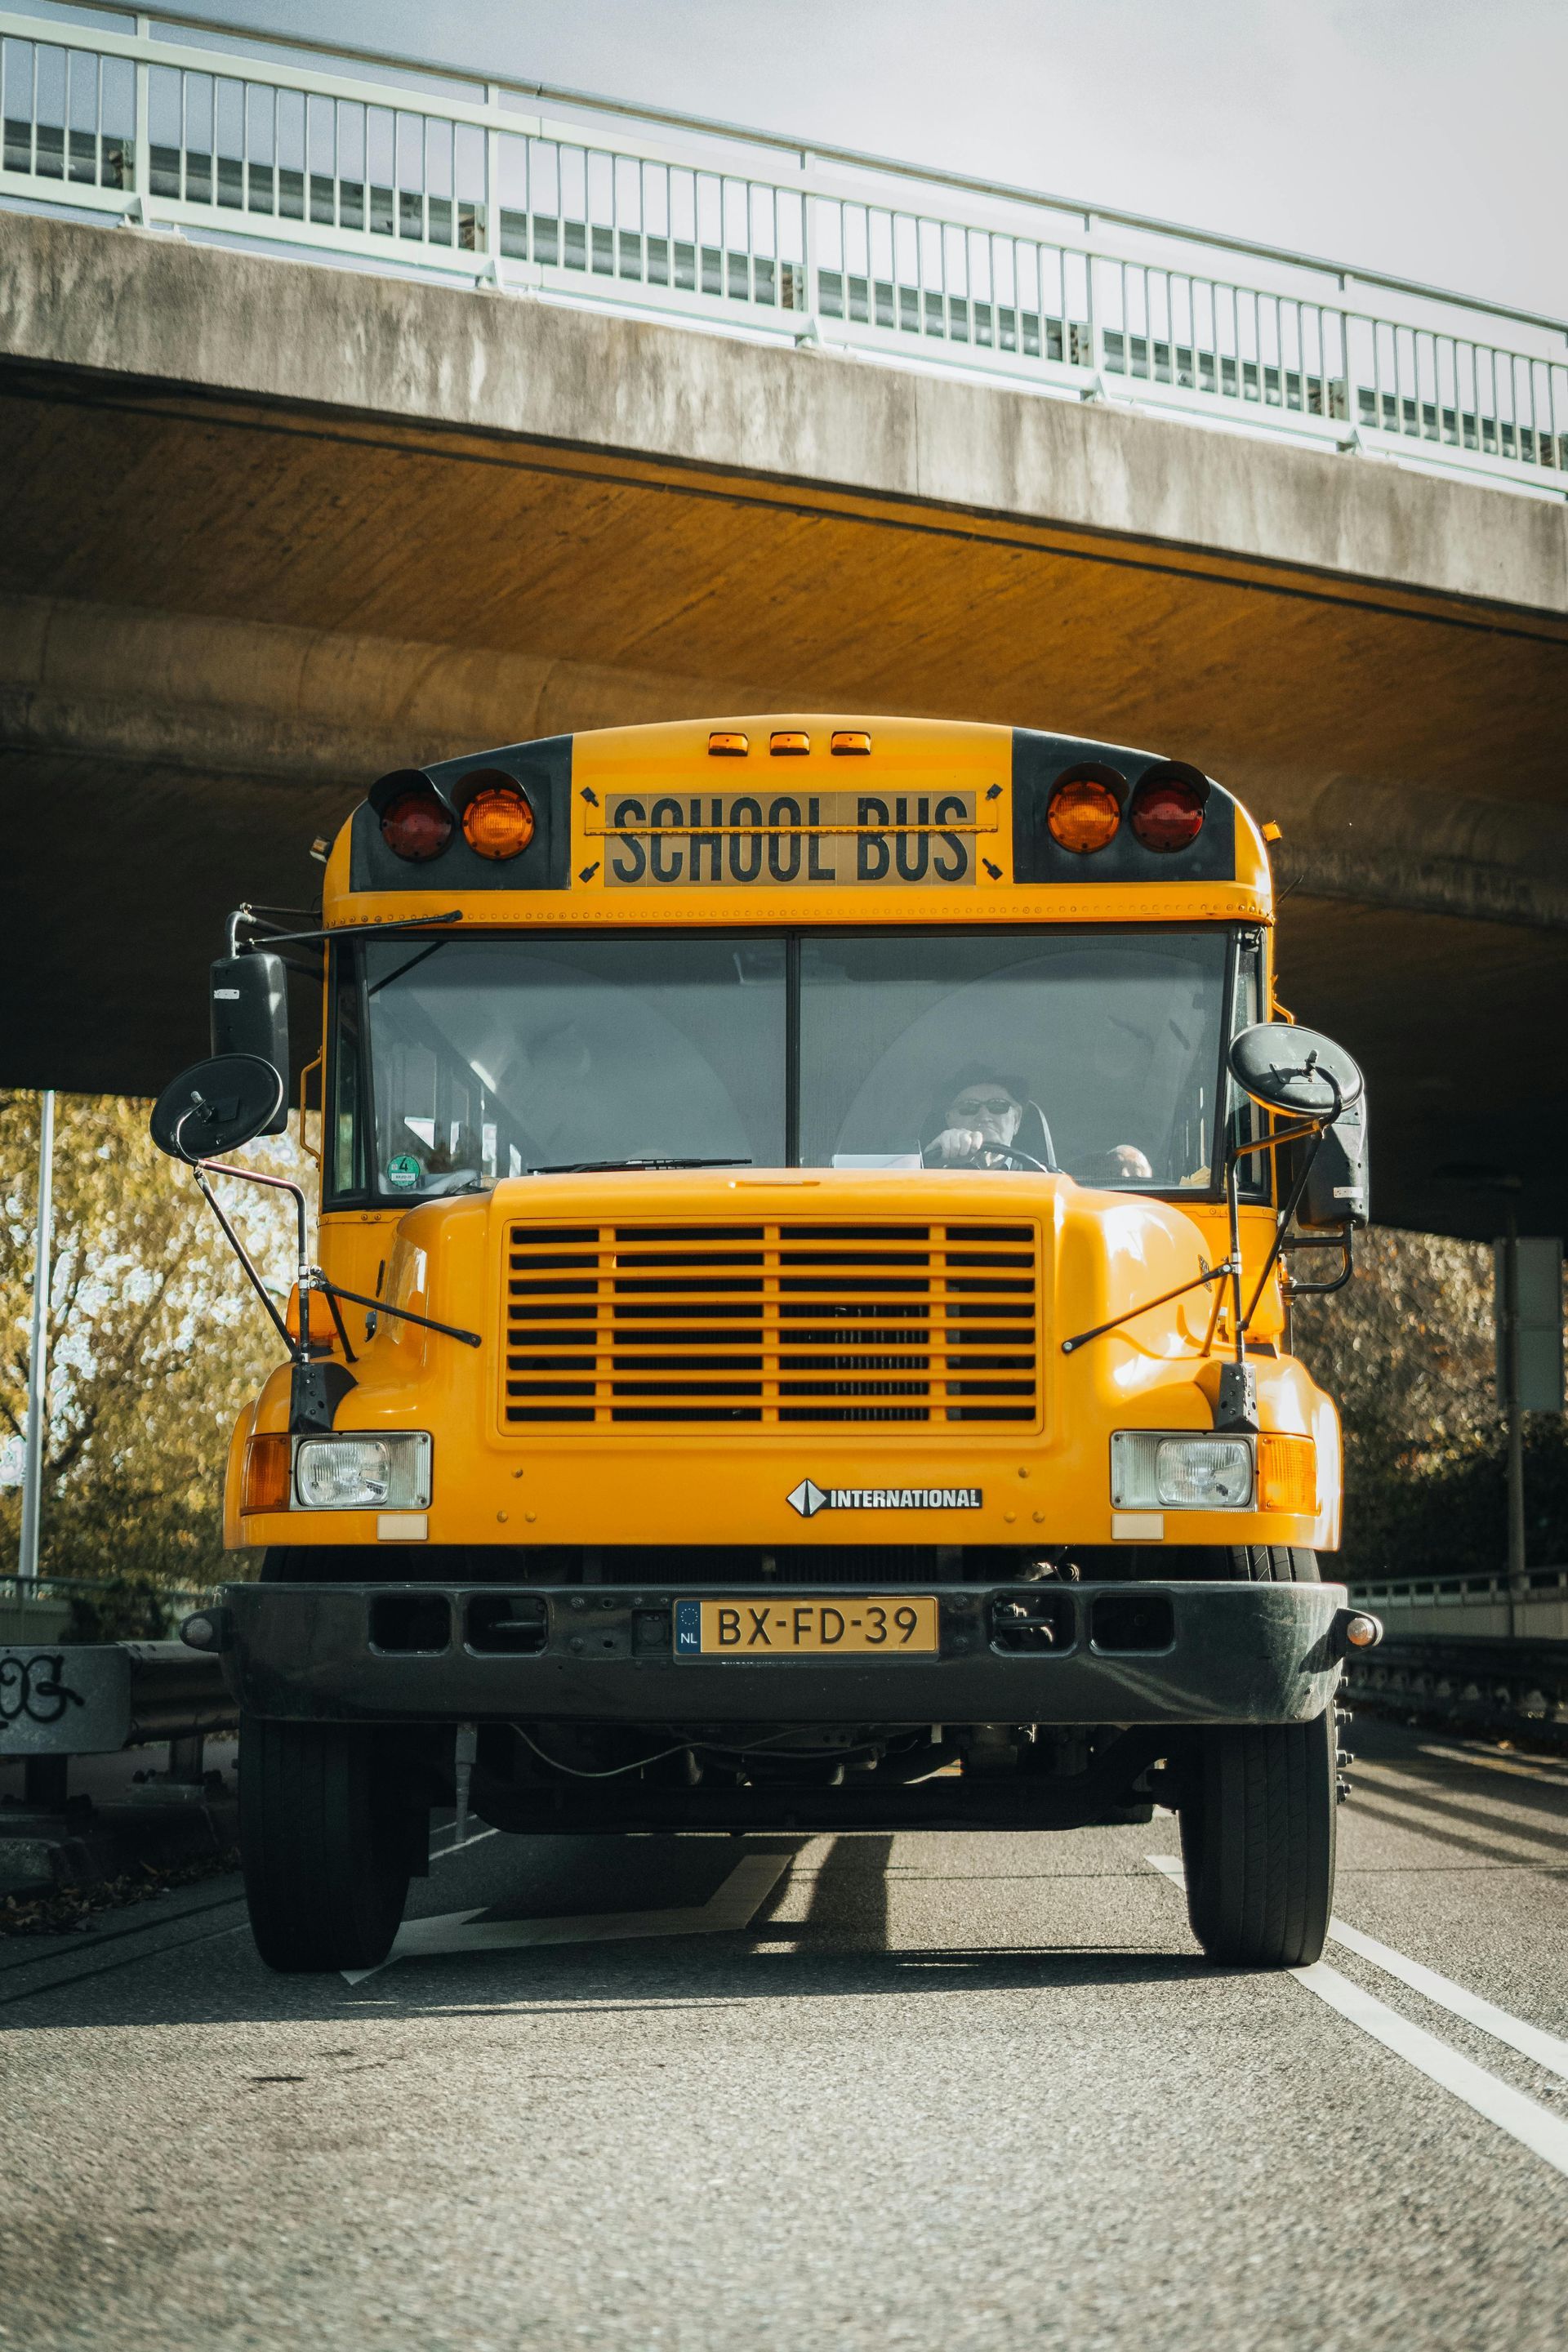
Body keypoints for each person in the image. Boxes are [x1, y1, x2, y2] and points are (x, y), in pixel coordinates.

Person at [923, 1070, 1152, 1181]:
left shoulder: (1056, 1182)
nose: (984, 1115)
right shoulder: (925, 1178)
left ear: (1017, 1120)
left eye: (999, 1106)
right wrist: (929, 1164)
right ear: (950, 1119)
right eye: (969, 1107)